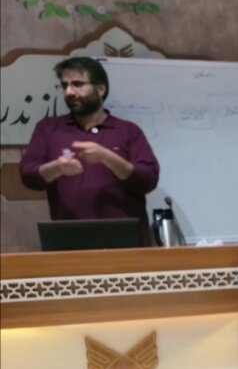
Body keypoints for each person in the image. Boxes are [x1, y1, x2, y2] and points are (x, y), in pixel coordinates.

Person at [19, 56, 161, 244]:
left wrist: (107, 157)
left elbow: (148, 180)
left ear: (100, 89)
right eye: (65, 86)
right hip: (68, 237)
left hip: (125, 239)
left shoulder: (128, 131)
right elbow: (28, 176)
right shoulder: (48, 128)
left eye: (77, 84)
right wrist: (57, 168)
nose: (69, 92)